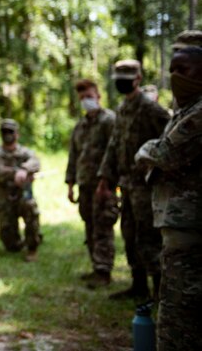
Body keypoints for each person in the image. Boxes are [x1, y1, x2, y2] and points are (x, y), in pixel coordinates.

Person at [136, 30, 202, 350]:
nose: (176, 76)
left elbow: (165, 155)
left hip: (191, 226)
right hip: (181, 224)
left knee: (178, 317)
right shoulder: (186, 109)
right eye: (172, 69)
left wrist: (148, 150)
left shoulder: (199, 112)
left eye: (183, 69)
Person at [96, 59, 169, 300]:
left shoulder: (152, 110)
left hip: (147, 186)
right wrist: (105, 179)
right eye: (119, 81)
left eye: (126, 81)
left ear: (138, 79)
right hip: (126, 185)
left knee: (149, 236)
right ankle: (138, 285)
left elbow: (170, 145)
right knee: (129, 234)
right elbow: (114, 144)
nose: (122, 85)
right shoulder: (122, 109)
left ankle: (160, 290)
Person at [64, 79, 117, 288]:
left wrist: (107, 182)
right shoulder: (80, 125)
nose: (86, 101)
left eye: (89, 96)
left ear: (98, 96)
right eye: (82, 98)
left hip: (103, 185)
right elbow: (73, 156)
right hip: (84, 184)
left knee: (102, 226)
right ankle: (96, 266)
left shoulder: (109, 121)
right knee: (89, 224)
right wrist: (70, 184)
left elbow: (114, 153)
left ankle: (104, 271)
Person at [0, 119, 42, 261]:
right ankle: (20, 240)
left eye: (11, 131)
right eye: (4, 132)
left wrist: (25, 169)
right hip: (3, 199)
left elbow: (36, 162)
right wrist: (16, 173)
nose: (7, 135)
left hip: (22, 196)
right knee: (11, 245)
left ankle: (32, 247)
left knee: (30, 207)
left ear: (17, 134)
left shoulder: (26, 152)